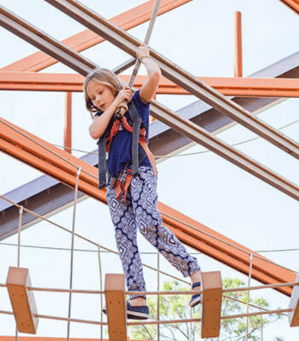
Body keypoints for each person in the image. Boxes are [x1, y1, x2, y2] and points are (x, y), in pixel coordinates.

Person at [84, 44, 202, 320]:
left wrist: (146, 58)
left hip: (139, 172)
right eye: (93, 98)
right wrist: (114, 103)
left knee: (148, 223)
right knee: (124, 238)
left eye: (100, 92)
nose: (98, 100)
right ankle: (137, 298)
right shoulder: (103, 117)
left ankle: (194, 272)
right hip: (115, 185)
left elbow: (155, 77)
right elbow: (93, 132)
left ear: (112, 85)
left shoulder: (137, 102)